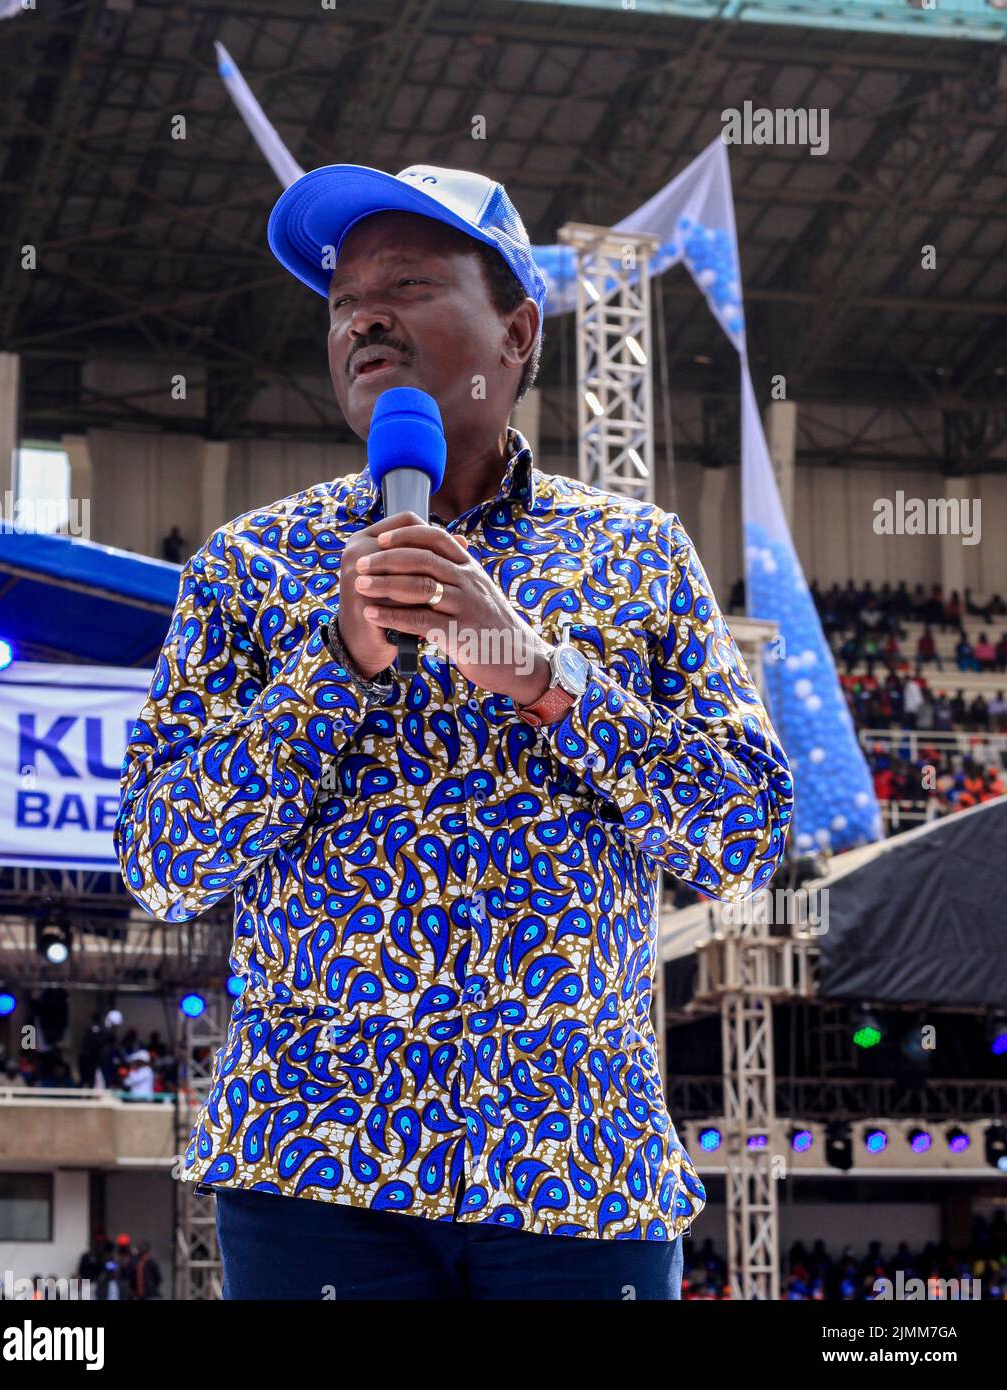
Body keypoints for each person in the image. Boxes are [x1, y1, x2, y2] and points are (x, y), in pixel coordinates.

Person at [115, 161, 793, 1302]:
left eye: (410, 284)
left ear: (516, 332)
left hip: (577, 1172)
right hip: (315, 1175)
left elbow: (742, 836)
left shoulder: (637, 555)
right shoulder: (245, 566)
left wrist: (543, 676)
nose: (363, 315)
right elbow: (159, 865)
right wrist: (334, 667)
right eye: (342, 302)